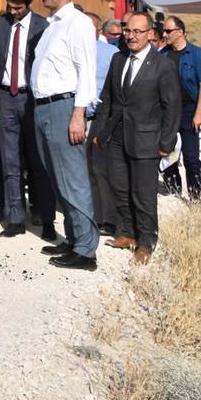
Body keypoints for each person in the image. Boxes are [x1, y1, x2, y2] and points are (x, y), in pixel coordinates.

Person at [91, 12, 182, 266]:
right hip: (117, 137)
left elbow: (171, 107)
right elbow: (108, 98)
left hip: (146, 140)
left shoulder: (163, 66)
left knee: (143, 194)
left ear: (151, 34)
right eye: (127, 30)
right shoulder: (118, 60)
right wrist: (101, 132)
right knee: (120, 188)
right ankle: (127, 233)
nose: (131, 36)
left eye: (137, 32)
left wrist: (166, 143)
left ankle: (146, 242)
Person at [30, 0, 98, 270]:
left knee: (73, 179)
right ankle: (73, 239)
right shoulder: (51, 26)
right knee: (58, 179)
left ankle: (86, 251)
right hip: (43, 108)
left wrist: (78, 114)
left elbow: (86, 71)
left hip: (64, 108)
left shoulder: (78, 23)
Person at [0, 0, 52, 238]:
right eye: (10, 7)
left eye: (18, 8)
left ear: (28, 4)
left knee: (37, 160)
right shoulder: (0, 25)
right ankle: (15, 219)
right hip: (4, 99)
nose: (13, 12)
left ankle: (45, 217)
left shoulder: (42, 27)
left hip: (32, 99)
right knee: (9, 160)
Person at [159, 16, 201, 200]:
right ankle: (173, 189)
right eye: (163, 30)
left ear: (180, 32)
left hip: (189, 110)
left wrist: (199, 113)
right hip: (167, 111)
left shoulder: (196, 54)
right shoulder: (162, 54)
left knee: (190, 157)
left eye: (168, 31)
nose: (164, 34)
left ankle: (195, 196)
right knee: (167, 152)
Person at [87, 14, 120, 237]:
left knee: (101, 171)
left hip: (99, 120)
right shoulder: (71, 51)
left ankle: (108, 219)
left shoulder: (111, 54)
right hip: (76, 119)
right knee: (86, 171)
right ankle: (93, 217)